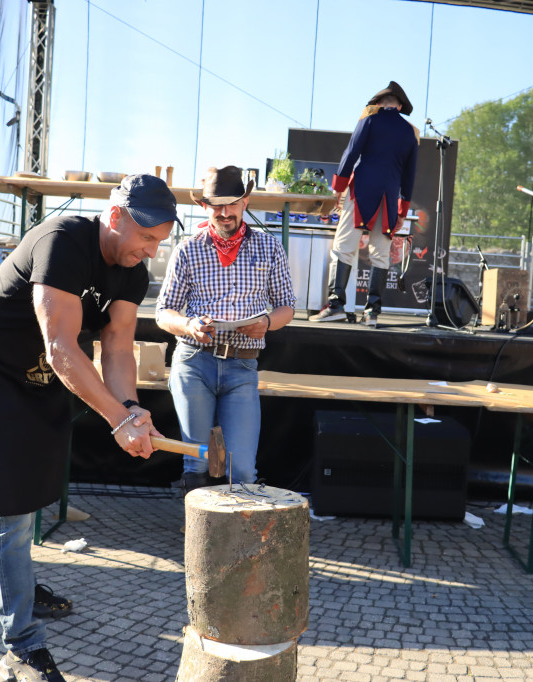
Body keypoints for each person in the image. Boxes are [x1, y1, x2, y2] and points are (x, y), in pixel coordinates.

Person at [0, 174, 179, 681]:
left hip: (41, 378)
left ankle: (14, 590)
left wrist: (132, 410)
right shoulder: (62, 241)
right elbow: (61, 347)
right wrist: (117, 420)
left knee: (34, 490)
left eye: (159, 242)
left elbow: (118, 347)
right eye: (147, 238)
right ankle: (22, 644)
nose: (151, 251)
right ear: (116, 217)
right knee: (11, 506)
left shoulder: (132, 271)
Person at [155, 165, 295, 492]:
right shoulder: (188, 249)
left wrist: (267, 323)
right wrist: (189, 325)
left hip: (242, 365)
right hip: (194, 360)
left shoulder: (269, 247)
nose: (225, 211)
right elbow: (163, 313)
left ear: (245, 202)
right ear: (205, 206)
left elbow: (288, 306)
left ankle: (237, 536)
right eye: (217, 204)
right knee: (198, 461)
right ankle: (199, 537)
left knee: (243, 468)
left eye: (232, 203)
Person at [309, 80, 419, 326]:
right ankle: (372, 313)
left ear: (379, 103)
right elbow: (409, 175)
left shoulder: (369, 119)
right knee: (380, 254)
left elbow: (351, 153)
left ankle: (336, 305)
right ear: (400, 105)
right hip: (389, 198)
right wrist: (402, 209)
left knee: (343, 246)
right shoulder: (410, 132)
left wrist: (337, 188)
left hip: (362, 192)